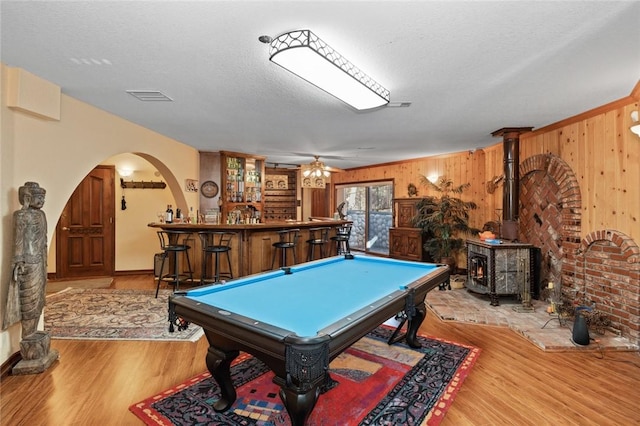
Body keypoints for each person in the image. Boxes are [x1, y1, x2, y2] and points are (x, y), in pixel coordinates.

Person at [3, 182, 48, 338]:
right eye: (38, 197)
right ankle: (28, 336)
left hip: (40, 262)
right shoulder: (21, 216)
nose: (42, 201)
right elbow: (18, 241)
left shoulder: (41, 215)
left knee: (39, 298)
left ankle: (34, 332)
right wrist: (18, 261)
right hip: (27, 264)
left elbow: (44, 240)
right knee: (28, 299)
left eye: (43, 197)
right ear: (27, 198)